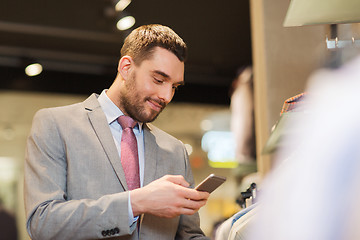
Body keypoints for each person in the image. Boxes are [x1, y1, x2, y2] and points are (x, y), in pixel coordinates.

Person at [24, 24, 210, 240]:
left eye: (174, 86)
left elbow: (189, 234)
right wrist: (138, 202)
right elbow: (42, 222)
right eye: (159, 80)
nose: (166, 96)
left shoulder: (175, 150)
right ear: (126, 67)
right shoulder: (56, 124)